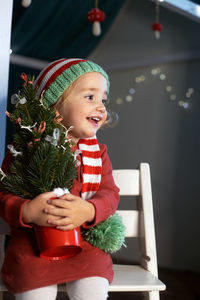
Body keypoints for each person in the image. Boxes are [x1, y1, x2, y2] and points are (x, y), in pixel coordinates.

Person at [0, 58, 119, 300]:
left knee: (93, 291)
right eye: (90, 97)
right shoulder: (23, 148)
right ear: (55, 106)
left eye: (103, 100)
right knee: (34, 291)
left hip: (85, 247)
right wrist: (27, 211)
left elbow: (109, 193)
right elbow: (3, 194)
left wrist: (89, 210)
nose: (100, 107)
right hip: (33, 247)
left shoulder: (98, 154)